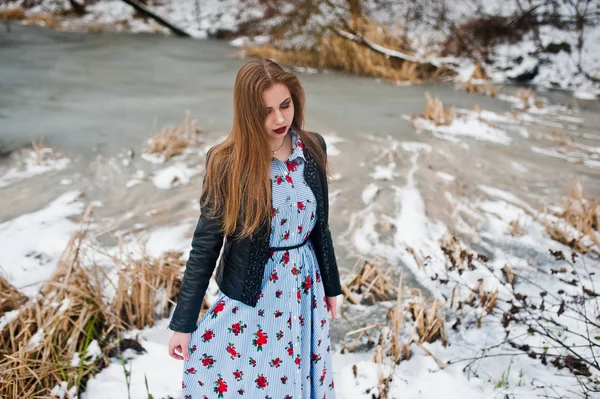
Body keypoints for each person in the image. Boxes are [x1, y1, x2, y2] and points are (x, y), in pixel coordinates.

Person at [167, 58, 342, 398]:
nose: (279, 119)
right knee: (255, 383)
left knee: (299, 377)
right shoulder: (227, 163)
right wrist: (183, 324)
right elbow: (205, 246)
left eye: (285, 105)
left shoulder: (314, 147)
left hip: (306, 287)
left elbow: (321, 229)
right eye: (266, 111)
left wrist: (332, 287)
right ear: (247, 113)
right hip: (254, 292)